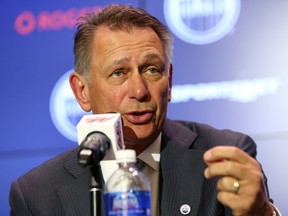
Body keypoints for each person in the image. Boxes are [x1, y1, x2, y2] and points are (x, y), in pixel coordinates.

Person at [9, 4, 281, 216]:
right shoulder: (36, 193)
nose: (139, 90)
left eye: (152, 70)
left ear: (170, 82)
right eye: (118, 73)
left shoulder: (223, 156)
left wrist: (261, 212)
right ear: (82, 91)